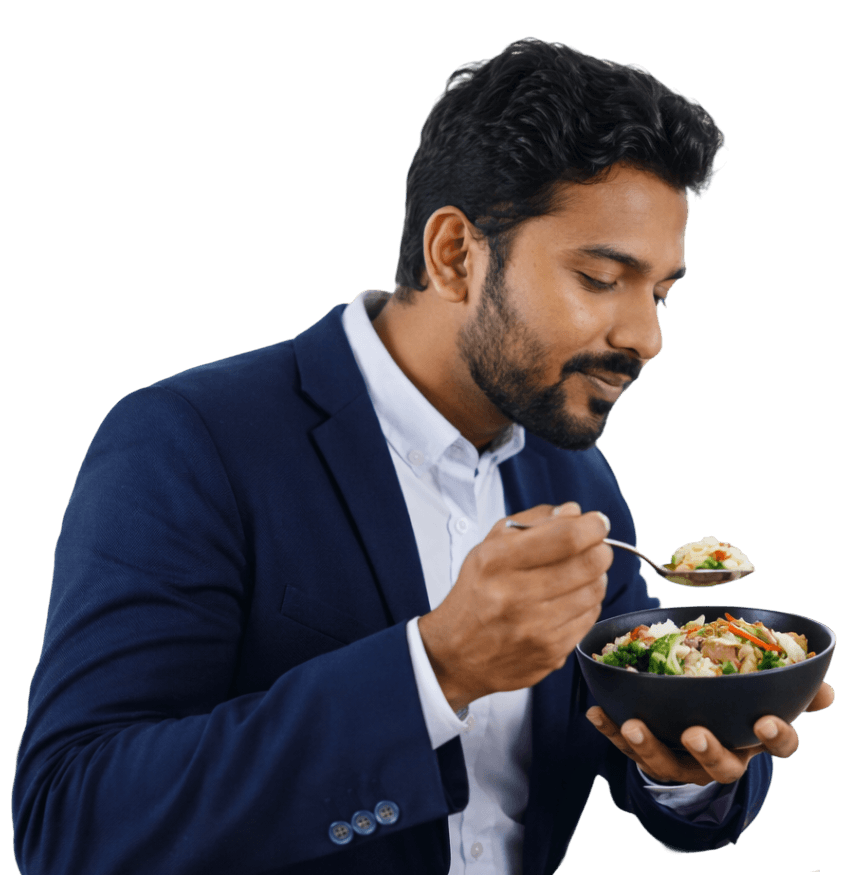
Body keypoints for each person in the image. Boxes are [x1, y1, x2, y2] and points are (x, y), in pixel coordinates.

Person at [12, 37, 833, 875]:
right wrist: (436, 667)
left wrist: (692, 755)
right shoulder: (189, 443)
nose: (647, 337)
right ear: (454, 255)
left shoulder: (577, 481)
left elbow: (635, 736)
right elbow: (68, 823)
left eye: (660, 292)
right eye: (599, 277)